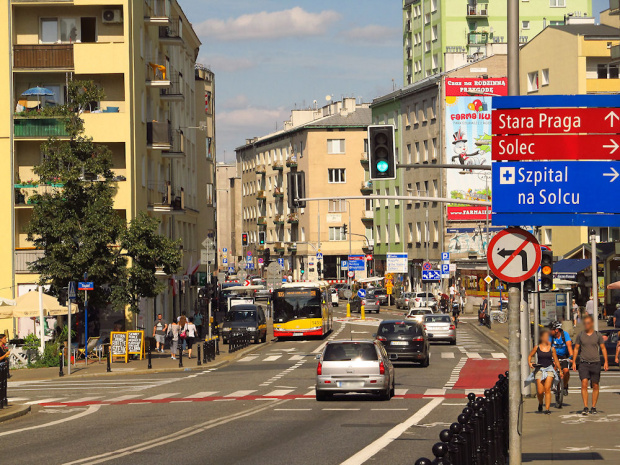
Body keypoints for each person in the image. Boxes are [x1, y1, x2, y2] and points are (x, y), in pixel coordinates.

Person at [572, 314, 608, 415]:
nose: (586, 325)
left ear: (591, 324)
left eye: (588, 323)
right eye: (585, 323)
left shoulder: (598, 335)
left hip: (595, 363)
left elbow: (603, 348)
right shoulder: (580, 335)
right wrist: (574, 361)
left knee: (595, 385)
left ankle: (593, 406)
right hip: (584, 363)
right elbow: (576, 349)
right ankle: (585, 406)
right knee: (584, 383)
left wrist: (606, 361)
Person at [528, 328, 561, 414]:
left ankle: (547, 409)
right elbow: (530, 356)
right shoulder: (537, 347)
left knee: (547, 389)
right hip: (539, 370)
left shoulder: (552, 348)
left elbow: (556, 360)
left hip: (549, 369)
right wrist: (530, 363)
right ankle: (540, 403)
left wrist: (560, 370)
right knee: (540, 391)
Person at [549, 321, 573, 395]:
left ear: (556, 330)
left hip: (564, 355)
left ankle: (565, 386)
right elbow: (548, 347)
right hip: (554, 355)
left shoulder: (565, 334)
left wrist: (571, 357)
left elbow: (569, 346)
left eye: (551, 330)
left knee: (566, 371)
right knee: (553, 369)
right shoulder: (550, 336)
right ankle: (554, 385)